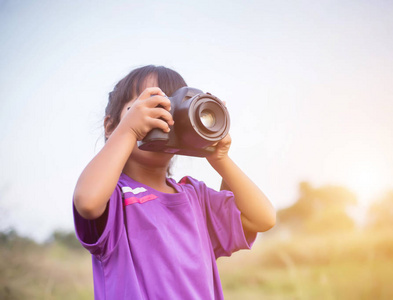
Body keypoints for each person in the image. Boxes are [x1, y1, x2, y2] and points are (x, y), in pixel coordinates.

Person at [73, 65, 276, 300]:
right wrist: (129, 130)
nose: (163, 119)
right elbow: (87, 202)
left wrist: (219, 158)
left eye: (172, 110)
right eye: (151, 106)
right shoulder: (115, 197)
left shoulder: (196, 198)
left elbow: (263, 218)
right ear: (111, 127)